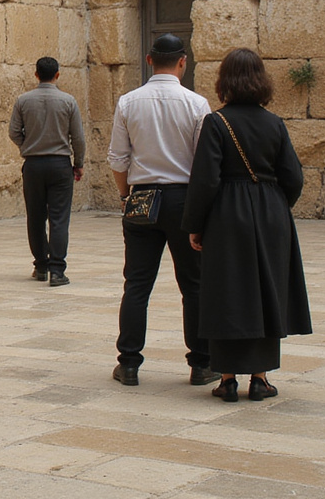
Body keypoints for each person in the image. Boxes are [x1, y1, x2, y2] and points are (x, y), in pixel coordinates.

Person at [182, 48, 311, 402]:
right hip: (271, 212)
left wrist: (195, 224)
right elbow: (294, 178)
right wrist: (276, 207)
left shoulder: (217, 123)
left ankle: (226, 379)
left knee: (227, 291)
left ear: (225, 82)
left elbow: (206, 180)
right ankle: (260, 378)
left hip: (227, 214)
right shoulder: (275, 124)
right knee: (267, 290)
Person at [107, 33, 218, 388]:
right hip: (184, 198)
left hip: (142, 195)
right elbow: (204, 162)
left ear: (149, 60)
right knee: (194, 284)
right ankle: (201, 362)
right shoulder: (197, 104)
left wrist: (126, 195)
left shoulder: (128, 102)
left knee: (137, 284)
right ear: (183, 62)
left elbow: (118, 158)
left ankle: (128, 363)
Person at [9, 56, 85, 286]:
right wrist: (78, 163)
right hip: (60, 164)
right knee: (59, 218)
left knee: (35, 216)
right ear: (58, 74)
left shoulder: (23, 100)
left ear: (36, 74)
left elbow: (13, 132)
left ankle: (41, 265)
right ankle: (58, 270)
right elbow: (78, 138)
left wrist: (27, 147)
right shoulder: (68, 101)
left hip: (33, 165)